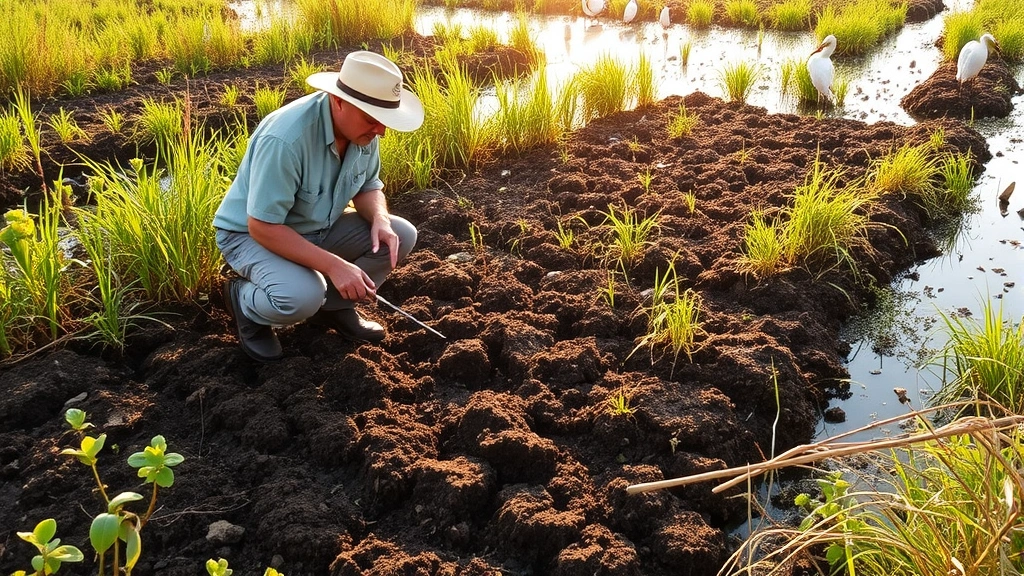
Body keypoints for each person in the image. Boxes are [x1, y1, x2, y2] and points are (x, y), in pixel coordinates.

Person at [212, 51, 424, 362]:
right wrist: (335, 266)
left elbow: (368, 186)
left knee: (400, 234)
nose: (381, 131)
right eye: (372, 120)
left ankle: (333, 310)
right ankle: (245, 304)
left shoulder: (363, 131)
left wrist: (380, 218)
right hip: (252, 235)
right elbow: (262, 226)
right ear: (339, 101)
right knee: (303, 296)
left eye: (385, 121)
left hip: (316, 228)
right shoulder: (285, 139)